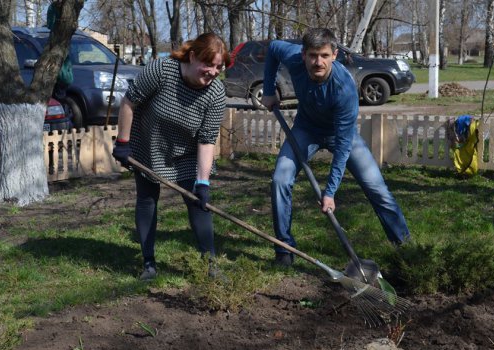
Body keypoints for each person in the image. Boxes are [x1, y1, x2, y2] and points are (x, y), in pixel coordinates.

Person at [261, 28, 410, 267]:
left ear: (335, 55)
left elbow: (342, 146)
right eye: (312, 55)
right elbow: (273, 48)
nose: (317, 62)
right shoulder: (293, 58)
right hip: (306, 129)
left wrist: (330, 192)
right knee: (280, 179)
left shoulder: (344, 88)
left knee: (377, 188)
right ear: (303, 55)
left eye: (324, 55)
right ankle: (284, 249)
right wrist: (268, 91)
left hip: (342, 135)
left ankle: (405, 247)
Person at [112, 33, 230, 280]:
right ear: (192, 56)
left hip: (186, 153)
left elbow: (207, 140)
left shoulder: (216, 93)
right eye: (209, 64)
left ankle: (211, 265)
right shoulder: (162, 71)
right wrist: (123, 142)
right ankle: (148, 263)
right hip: (148, 145)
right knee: (147, 200)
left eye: (219, 66)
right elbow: (129, 103)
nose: (214, 71)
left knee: (199, 204)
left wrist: (203, 182)